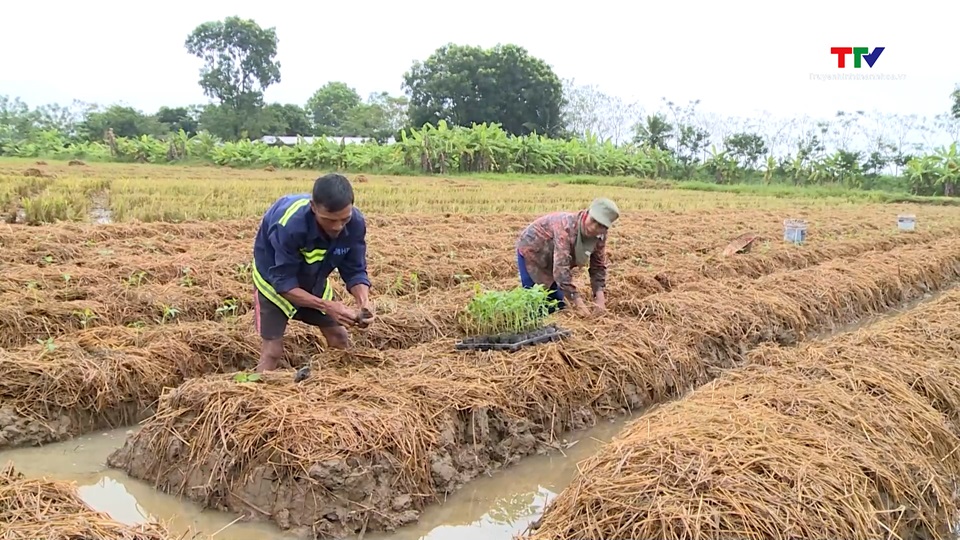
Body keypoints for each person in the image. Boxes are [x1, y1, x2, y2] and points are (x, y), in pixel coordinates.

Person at [251, 173, 374, 372]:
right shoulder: (289, 226)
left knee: (339, 337)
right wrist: (327, 305)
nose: (337, 227)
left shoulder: (355, 223)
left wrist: (364, 301)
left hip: (313, 277)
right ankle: (256, 395)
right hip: (273, 280)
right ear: (313, 207)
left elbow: (355, 270)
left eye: (344, 219)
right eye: (329, 220)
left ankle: (342, 387)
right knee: (272, 351)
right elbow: (283, 284)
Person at [515, 198, 619, 318]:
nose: (594, 228)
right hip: (533, 253)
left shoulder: (600, 236)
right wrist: (579, 304)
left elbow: (598, 266)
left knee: (558, 306)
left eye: (601, 226)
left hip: (555, 259)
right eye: (593, 221)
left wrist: (600, 299)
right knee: (535, 303)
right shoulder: (565, 227)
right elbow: (561, 271)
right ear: (586, 214)